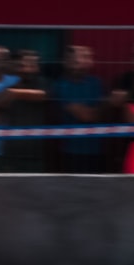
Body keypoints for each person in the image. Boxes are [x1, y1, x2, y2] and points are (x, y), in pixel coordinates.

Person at [53, 45, 104, 173]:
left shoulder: (96, 83)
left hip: (95, 149)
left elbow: (104, 115)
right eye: (74, 60)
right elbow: (87, 116)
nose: (80, 63)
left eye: (85, 58)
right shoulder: (61, 85)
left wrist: (99, 111)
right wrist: (98, 111)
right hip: (71, 150)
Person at [0, 49, 49, 172]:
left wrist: (13, 93)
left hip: (35, 153)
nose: (26, 69)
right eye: (22, 65)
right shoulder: (10, 86)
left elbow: (42, 95)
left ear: (37, 67)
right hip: (11, 153)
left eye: (31, 65)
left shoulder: (43, 83)